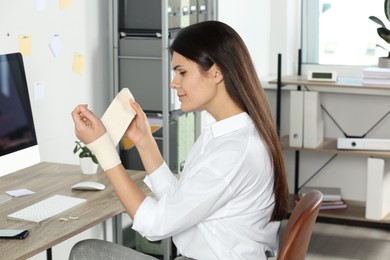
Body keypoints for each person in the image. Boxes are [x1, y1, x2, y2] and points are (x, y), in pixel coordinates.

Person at [69, 20, 289, 260]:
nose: (174, 83)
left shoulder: (233, 153)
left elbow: (155, 225)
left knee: (86, 252)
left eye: (182, 72)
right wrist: (144, 141)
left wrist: (103, 148)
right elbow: (180, 202)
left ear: (217, 72)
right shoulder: (229, 135)